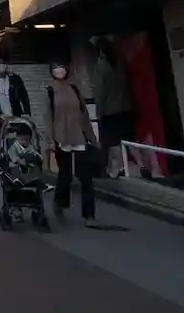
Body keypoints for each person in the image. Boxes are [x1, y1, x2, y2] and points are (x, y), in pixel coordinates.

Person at [46, 61, 96, 224]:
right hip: (61, 137)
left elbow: (84, 114)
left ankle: (89, 215)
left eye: (61, 67)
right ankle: (60, 202)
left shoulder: (74, 88)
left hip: (78, 135)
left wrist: (92, 138)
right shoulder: (50, 91)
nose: (59, 70)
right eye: (55, 68)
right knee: (65, 174)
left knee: (86, 177)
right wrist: (50, 140)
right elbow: (48, 118)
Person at [93, 38, 135, 178]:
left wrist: (99, 113)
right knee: (128, 140)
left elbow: (100, 92)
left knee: (113, 143)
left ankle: (116, 169)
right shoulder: (120, 63)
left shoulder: (101, 67)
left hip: (109, 111)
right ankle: (138, 166)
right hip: (125, 108)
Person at [0, 45, 31, 160]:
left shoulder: (15, 79)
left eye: (4, 62)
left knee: (17, 152)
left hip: (15, 120)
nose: (2, 65)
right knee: (1, 154)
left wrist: (26, 114)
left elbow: (24, 97)